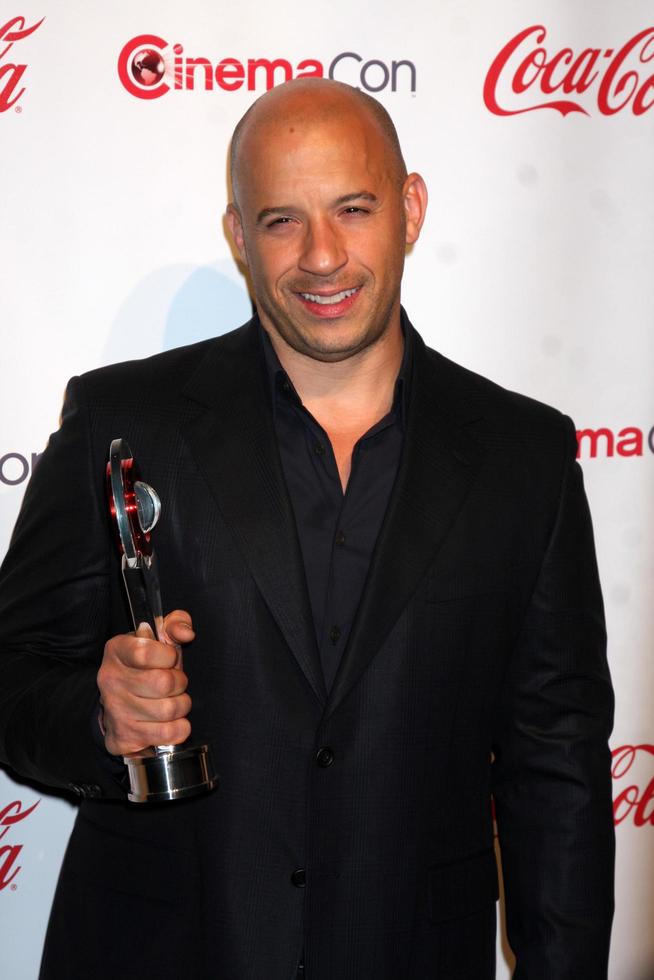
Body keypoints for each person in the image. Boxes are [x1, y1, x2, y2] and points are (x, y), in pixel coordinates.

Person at [0, 78, 614, 980]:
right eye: (283, 220)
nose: (322, 256)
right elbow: (11, 674)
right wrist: (101, 717)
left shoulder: (527, 457)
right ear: (239, 236)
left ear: (410, 209)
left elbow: (556, 766)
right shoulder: (120, 422)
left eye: (354, 208)